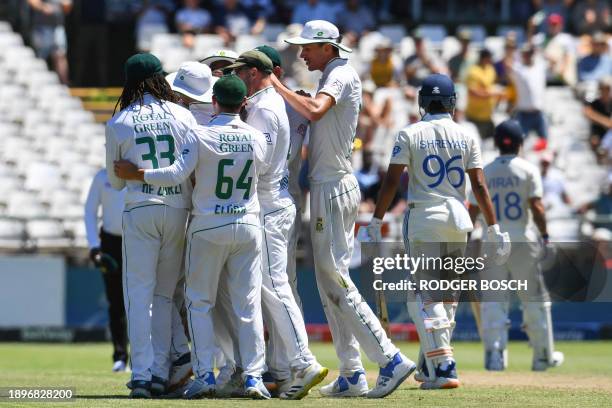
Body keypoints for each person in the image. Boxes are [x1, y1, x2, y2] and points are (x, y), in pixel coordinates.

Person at [270, 19, 415, 398]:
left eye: (308, 47)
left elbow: (316, 111)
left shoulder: (340, 73)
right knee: (327, 281)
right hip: (328, 187)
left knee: (334, 278)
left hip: (333, 187)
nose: (302, 53)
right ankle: (352, 371)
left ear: (327, 47)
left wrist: (277, 86)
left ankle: (390, 359)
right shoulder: (334, 72)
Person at [114, 75, 271, 400]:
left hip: (208, 224)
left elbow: (176, 173)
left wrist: (138, 173)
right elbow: (264, 171)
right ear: (244, 104)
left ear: (214, 101)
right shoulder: (257, 137)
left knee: (199, 303)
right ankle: (254, 377)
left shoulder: (200, 134)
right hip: (248, 225)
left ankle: (204, 376)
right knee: (248, 304)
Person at [365, 74, 510, 390]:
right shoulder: (466, 135)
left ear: (421, 103)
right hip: (459, 220)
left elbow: (392, 182)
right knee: (446, 296)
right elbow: (480, 185)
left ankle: (444, 364)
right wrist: (495, 227)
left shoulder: (410, 133)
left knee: (424, 295)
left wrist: (376, 221)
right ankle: (429, 366)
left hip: (424, 217)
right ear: (452, 103)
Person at [227, 49, 328, 399]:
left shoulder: (265, 108)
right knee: (277, 286)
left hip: (270, 203)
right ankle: (286, 369)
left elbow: (259, 162)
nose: (237, 77)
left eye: (241, 72)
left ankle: (303, 361)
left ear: (255, 72)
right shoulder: (268, 103)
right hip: (278, 201)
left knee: (275, 285)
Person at [105, 53, 197, 399]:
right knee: (162, 295)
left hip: (140, 208)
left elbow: (115, 184)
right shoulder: (183, 115)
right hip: (177, 208)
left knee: (138, 295)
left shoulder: (119, 122)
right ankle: (161, 372)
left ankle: (143, 375)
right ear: (160, 79)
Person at [468, 119, 564, 372]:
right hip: (522, 238)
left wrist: (465, 240)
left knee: (494, 300)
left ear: (497, 143)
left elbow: (472, 210)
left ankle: (494, 356)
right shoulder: (528, 169)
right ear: (520, 143)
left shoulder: (485, 171)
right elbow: (537, 207)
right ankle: (543, 356)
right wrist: (545, 234)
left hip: (492, 241)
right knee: (534, 300)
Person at [255, 44, 310, 311]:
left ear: (275, 72)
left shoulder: (291, 106)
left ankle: (292, 352)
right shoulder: (256, 104)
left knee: (281, 281)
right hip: (263, 200)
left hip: (280, 198)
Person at [84, 169, 128, 372]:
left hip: (138, 240)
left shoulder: (139, 173)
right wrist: (94, 246)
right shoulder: (102, 177)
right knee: (115, 303)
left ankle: (144, 358)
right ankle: (120, 357)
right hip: (110, 243)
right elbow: (90, 211)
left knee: (142, 302)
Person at [506, 44, 548, 151]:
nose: (528, 56)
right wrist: (511, 47)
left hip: (539, 113)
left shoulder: (540, 67)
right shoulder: (519, 69)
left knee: (545, 144)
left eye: (530, 53)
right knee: (519, 145)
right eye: (525, 54)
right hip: (523, 114)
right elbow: (507, 64)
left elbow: (553, 60)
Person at [27, 0, 72, 84]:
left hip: (58, 27)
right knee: (41, 57)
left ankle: (64, 83)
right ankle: (38, 83)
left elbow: (67, 9)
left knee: (60, 55)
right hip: (42, 28)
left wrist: (66, 5)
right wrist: (43, 7)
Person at [465, 49, 501, 140]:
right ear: (483, 58)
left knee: (492, 143)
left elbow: (491, 85)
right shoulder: (473, 71)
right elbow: (473, 92)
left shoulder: (490, 69)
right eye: (489, 58)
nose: (491, 60)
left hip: (488, 115)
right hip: (475, 117)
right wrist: (491, 94)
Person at [584, 77, 612, 154]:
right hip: (597, 137)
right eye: (604, 89)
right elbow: (587, 113)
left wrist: (596, 117)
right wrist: (605, 122)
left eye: (608, 89)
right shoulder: (595, 103)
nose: (606, 92)